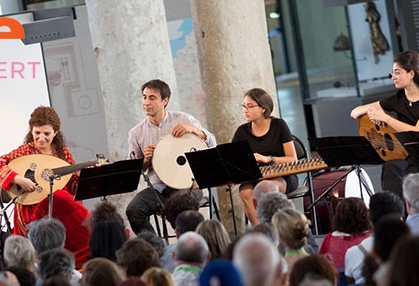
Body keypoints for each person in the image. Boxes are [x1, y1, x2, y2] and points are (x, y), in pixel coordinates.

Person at [0, 106, 90, 268]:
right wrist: (19, 180)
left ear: (55, 133)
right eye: (37, 133)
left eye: (46, 134)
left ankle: (75, 265)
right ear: (31, 131)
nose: (41, 138)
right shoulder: (25, 151)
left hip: (60, 207)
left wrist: (86, 177)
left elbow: (73, 184)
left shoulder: (63, 152)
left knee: (69, 210)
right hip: (32, 207)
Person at [351, 50, 419, 198]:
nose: (393, 77)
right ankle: (397, 215)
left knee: (410, 178)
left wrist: (386, 119)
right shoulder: (398, 99)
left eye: (397, 72)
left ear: (411, 74)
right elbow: (355, 112)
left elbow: (418, 131)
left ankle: (411, 215)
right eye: (392, 73)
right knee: (390, 167)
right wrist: (373, 112)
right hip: (409, 154)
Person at [125, 79, 215, 235]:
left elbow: (212, 143)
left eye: (152, 98)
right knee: (133, 210)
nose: (146, 102)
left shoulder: (183, 119)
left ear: (164, 100)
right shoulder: (136, 132)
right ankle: (155, 248)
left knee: (182, 206)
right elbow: (133, 170)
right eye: (144, 97)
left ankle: (189, 246)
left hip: (186, 185)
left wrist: (193, 130)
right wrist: (146, 160)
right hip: (157, 188)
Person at [232, 88, 298, 225]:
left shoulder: (279, 125)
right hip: (255, 176)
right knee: (245, 191)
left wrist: (269, 159)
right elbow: (233, 161)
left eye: (250, 106)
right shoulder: (242, 132)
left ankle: (280, 227)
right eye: (244, 106)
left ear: (263, 108)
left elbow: (293, 159)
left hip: (282, 175)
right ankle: (261, 230)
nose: (245, 110)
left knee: (265, 188)